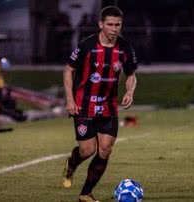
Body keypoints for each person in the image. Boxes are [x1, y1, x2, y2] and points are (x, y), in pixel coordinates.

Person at [62, 6, 138, 202]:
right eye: (110, 24)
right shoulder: (87, 46)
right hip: (84, 104)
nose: (114, 29)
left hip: (109, 106)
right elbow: (68, 70)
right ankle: (72, 163)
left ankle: (86, 193)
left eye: (118, 25)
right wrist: (70, 100)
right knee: (88, 151)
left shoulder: (125, 47)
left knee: (105, 149)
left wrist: (130, 91)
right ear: (101, 25)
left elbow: (131, 74)